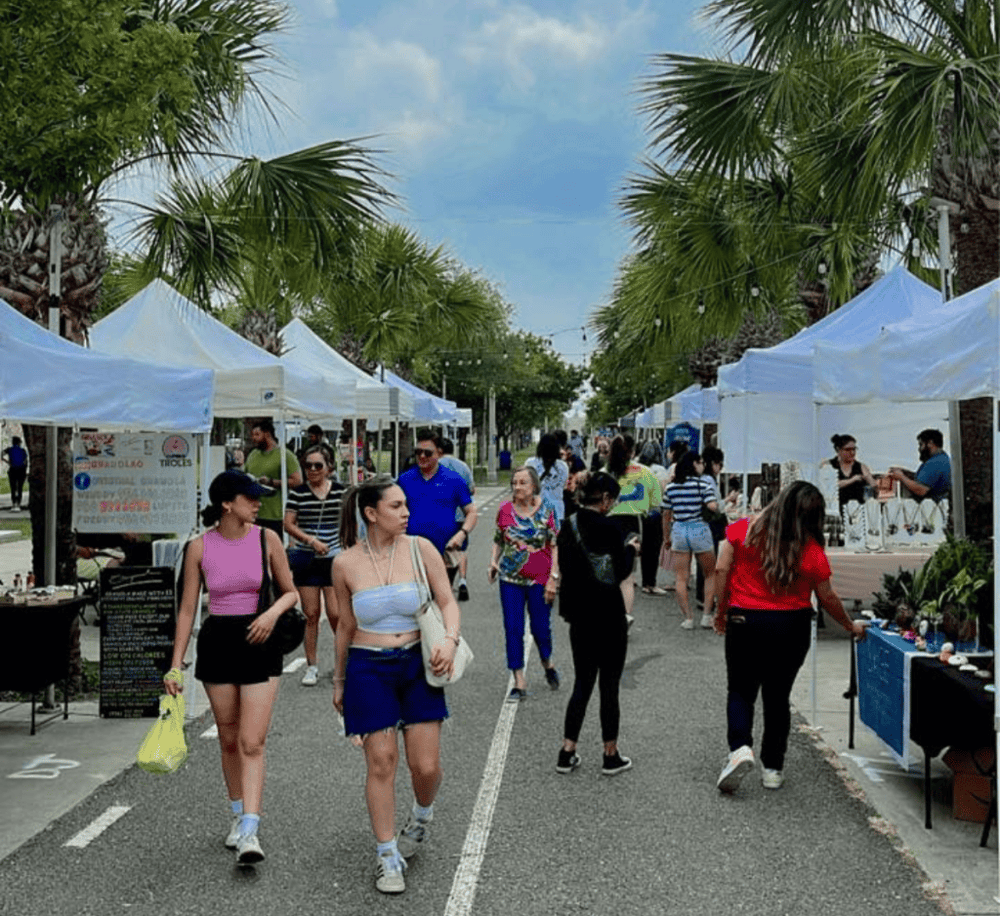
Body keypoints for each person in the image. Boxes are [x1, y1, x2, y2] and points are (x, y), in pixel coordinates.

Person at [331, 478, 460, 895]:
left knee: (426, 767)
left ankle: (422, 814)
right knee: (382, 762)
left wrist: (449, 640)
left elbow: (447, 601)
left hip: (418, 663)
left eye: (406, 506)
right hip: (368, 667)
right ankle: (387, 855)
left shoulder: (421, 549)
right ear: (371, 513)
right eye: (396, 506)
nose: (406, 513)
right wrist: (339, 679)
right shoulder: (345, 563)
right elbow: (345, 626)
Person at [164, 470, 299, 865]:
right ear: (227, 503)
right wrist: (176, 666)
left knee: (252, 741)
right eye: (250, 497)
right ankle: (238, 814)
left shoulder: (267, 538)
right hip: (218, 641)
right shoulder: (199, 547)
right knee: (228, 737)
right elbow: (188, 609)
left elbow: (290, 592)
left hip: (259, 639)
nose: (258, 503)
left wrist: (272, 613)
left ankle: (251, 831)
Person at [713, 481, 866, 793]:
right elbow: (827, 597)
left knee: (741, 690)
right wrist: (850, 625)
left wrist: (720, 611)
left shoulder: (743, 530)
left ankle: (740, 749)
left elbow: (721, 568)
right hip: (791, 626)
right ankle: (773, 767)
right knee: (777, 696)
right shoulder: (812, 551)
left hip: (745, 620)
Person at [555, 471, 638, 777]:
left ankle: (567, 751)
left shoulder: (569, 525)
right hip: (608, 615)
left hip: (579, 616)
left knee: (582, 683)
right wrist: (631, 549)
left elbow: (565, 567)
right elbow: (619, 572)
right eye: (612, 500)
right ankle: (610, 754)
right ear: (604, 499)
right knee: (609, 686)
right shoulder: (610, 527)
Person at [487, 466, 561, 702]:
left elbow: (554, 545)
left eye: (523, 483)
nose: (517, 487)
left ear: (534, 486)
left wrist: (553, 578)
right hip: (510, 578)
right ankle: (518, 679)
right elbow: (499, 539)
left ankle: (547, 662)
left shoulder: (548, 510)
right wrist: (493, 561)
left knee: (540, 628)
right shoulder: (505, 510)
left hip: (540, 579)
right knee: (513, 628)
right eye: (514, 483)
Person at [283, 447, 345, 686]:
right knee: (311, 614)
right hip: (307, 559)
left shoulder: (341, 492)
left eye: (318, 465)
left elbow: (351, 519)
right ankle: (312, 665)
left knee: (336, 614)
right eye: (308, 465)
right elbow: (288, 523)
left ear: (329, 467)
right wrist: (310, 540)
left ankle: (342, 664)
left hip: (334, 559)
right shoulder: (298, 493)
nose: (312, 470)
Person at [397, 429, 477, 587]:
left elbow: (471, 512)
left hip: (444, 552)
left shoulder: (454, 480)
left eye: (427, 453)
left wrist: (462, 534)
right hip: (412, 552)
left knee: (441, 603)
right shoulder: (405, 479)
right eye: (418, 452)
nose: (421, 456)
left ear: (439, 454)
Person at [661, 452, 718, 629]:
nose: (702, 466)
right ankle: (706, 616)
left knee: (681, 578)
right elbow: (713, 506)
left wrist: (666, 538)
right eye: (701, 462)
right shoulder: (702, 484)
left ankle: (688, 618)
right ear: (694, 464)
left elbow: (666, 514)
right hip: (699, 529)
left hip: (679, 530)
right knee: (709, 574)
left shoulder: (671, 488)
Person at [244, 418, 302, 536]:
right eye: (252, 435)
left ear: (267, 434)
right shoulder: (253, 454)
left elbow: (298, 481)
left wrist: (272, 482)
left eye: (257, 434)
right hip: (253, 514)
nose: (253, 438)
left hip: (276, 515)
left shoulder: (285, 455)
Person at [439, 437, 475, 601]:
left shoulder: (434, 467)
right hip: (461, 516)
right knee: (460, 550)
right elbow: (471, 490)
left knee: (440, 550)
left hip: (439, 516)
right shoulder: (463, 466)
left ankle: (442, 584)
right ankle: (462, 581)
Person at [636, 441, 669, 595]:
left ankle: (644, 582)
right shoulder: (660, 470)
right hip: (655, 512)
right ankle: (651, 583)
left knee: (644, 548)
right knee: (654, 548)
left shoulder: (636, 466)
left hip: (639, 512)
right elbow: (663, 489)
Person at [888, 428, 951, 502]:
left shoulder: (935, 463)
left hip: (931, 507)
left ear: (930, 443)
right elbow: (925, 480)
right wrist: (906, 473)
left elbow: (921, 490)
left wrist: (901, 477)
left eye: (921, 444)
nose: (919, 449)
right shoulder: (942, 458)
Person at [526, 433, 570, 529]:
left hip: (535, 510)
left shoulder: (531, 463)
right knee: (554, 540)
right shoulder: (563, 466)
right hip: (557, 511)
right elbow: (564, 486)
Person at [828, 434, 877, 507]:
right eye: (848, 450)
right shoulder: (829, 466)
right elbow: (832, 485)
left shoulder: (861, 467)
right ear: (838, 450)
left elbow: (874, 486)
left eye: (854, 449)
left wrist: (871, 482)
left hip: (858, 509)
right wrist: (853, 479)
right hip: (836, 509)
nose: (852, 453)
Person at [1, 435, 27, 510]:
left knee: (13, 487)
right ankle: (18, 504)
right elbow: (25, 462)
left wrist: (7, 462)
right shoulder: (23, 450)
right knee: (19, 488)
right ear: (19, 442)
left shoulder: (9, 449)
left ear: (13, 442)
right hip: (21, 470)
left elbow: (2, 453)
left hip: (12, 469)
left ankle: (14, 504)